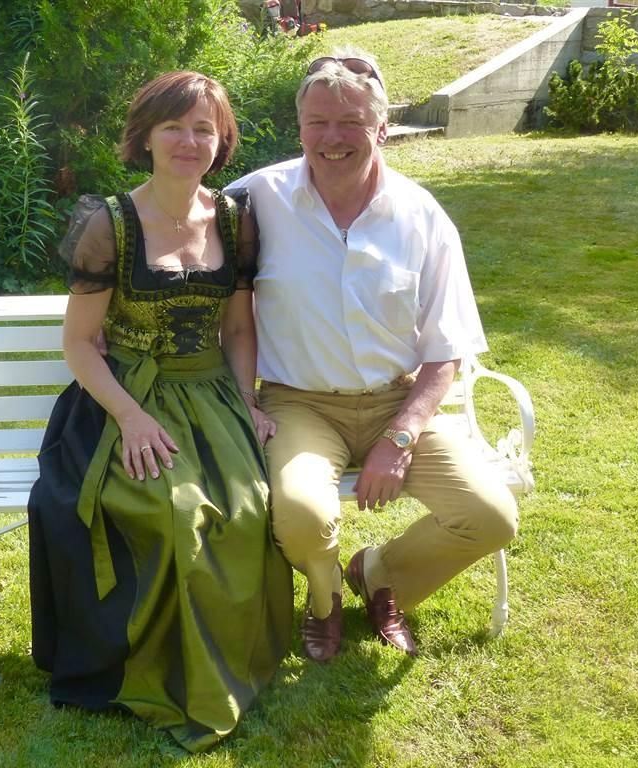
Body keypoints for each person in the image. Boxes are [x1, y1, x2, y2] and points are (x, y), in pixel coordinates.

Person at [27, 71, 293, 752]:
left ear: (221, 141)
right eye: (173, 126)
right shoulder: (109, 224)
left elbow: (238, 329)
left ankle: (229, 661)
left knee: (247, 509)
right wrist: (130, 418)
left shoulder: (233, 220)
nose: (188, 141)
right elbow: (79, 344)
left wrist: (247, 401)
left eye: (204, 128)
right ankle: (149, 672)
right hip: (123, 398)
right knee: (172, 513)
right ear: (144, 136)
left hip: (210, 393)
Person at [226, 49, 518, 662]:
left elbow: (446, 348)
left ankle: (380, 573)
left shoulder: (421, 216)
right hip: (299, 404)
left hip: (397, 401)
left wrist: (401, 436)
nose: (332, 138)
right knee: (301, 514)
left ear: (382, 128)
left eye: (352, 122)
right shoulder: (255, 200)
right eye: (317, 122)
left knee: (491, 516)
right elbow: (185, 251)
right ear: (299, 126)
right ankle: (325, 597)